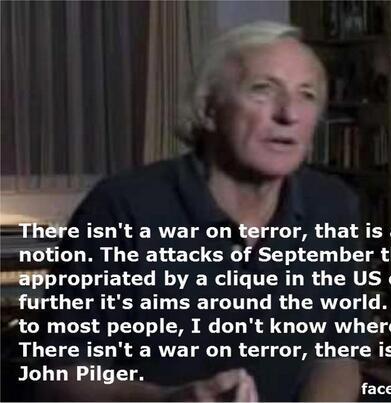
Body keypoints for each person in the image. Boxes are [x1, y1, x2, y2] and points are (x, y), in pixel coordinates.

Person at [39, 21, 367, 401]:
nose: (289, 113)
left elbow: (338, 354)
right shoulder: (120, 207)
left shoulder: (332, 204)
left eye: (306, 95)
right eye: (262, 90)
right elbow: (62, 375)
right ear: (208, 109)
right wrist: (171, 401)